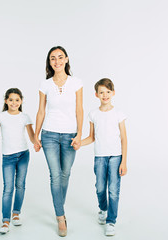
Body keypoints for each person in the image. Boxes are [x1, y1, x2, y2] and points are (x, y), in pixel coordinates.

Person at [34, 46, 83, 237]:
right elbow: (41, 111)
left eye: (60, 57)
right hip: (50, 135)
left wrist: (79, 134)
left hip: (70, 135)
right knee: (55, 175)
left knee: (66, 173)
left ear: (67, 59)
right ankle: (60, 217)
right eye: (53, 58)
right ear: (49, 62)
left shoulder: (76, 83)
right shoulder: (45, 84)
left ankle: (58, 204)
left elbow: (80, 109)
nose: (57, 61)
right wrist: (36, 136)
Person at [80, 78, 127, 236]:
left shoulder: (118, 114)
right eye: (101, 92)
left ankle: (111, 221)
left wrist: (124, 161)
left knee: (113, 189)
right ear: (96, 94)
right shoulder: (93, 114)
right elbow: (91, 137)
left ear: (113, 93)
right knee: (100, 188)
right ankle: (103, 208)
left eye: (108, 92)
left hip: (115, 157)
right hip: (100, 157)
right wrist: (78, 143)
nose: (105, 95)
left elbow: (124, 139)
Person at [0, 88, 36, 234]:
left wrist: (36, 143)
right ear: (6, 101)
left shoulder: (25, 117)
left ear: (21, 101)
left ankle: (16, 214)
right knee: (8, 188)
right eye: (11, 100)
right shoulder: (0, 117)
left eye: (17, 100)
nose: (14, 103)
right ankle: (6, 221)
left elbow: (32, 136)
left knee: (20, 185)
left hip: (23, 155)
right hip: (8, 157)